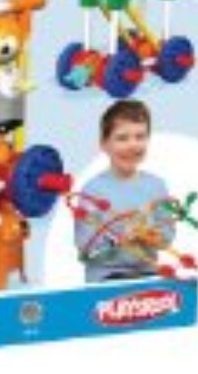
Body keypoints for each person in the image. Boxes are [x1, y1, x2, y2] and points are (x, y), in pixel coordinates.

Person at [75, 100, 175, 283]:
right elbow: (85, 250)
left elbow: (167, 237)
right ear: (104, 144)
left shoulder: (157, 186)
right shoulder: (92, 190)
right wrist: (119, 239)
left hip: (147, 275)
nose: (132, 145)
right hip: (105, 278)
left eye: (140, 136)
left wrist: (150, 235)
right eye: (122, 138)